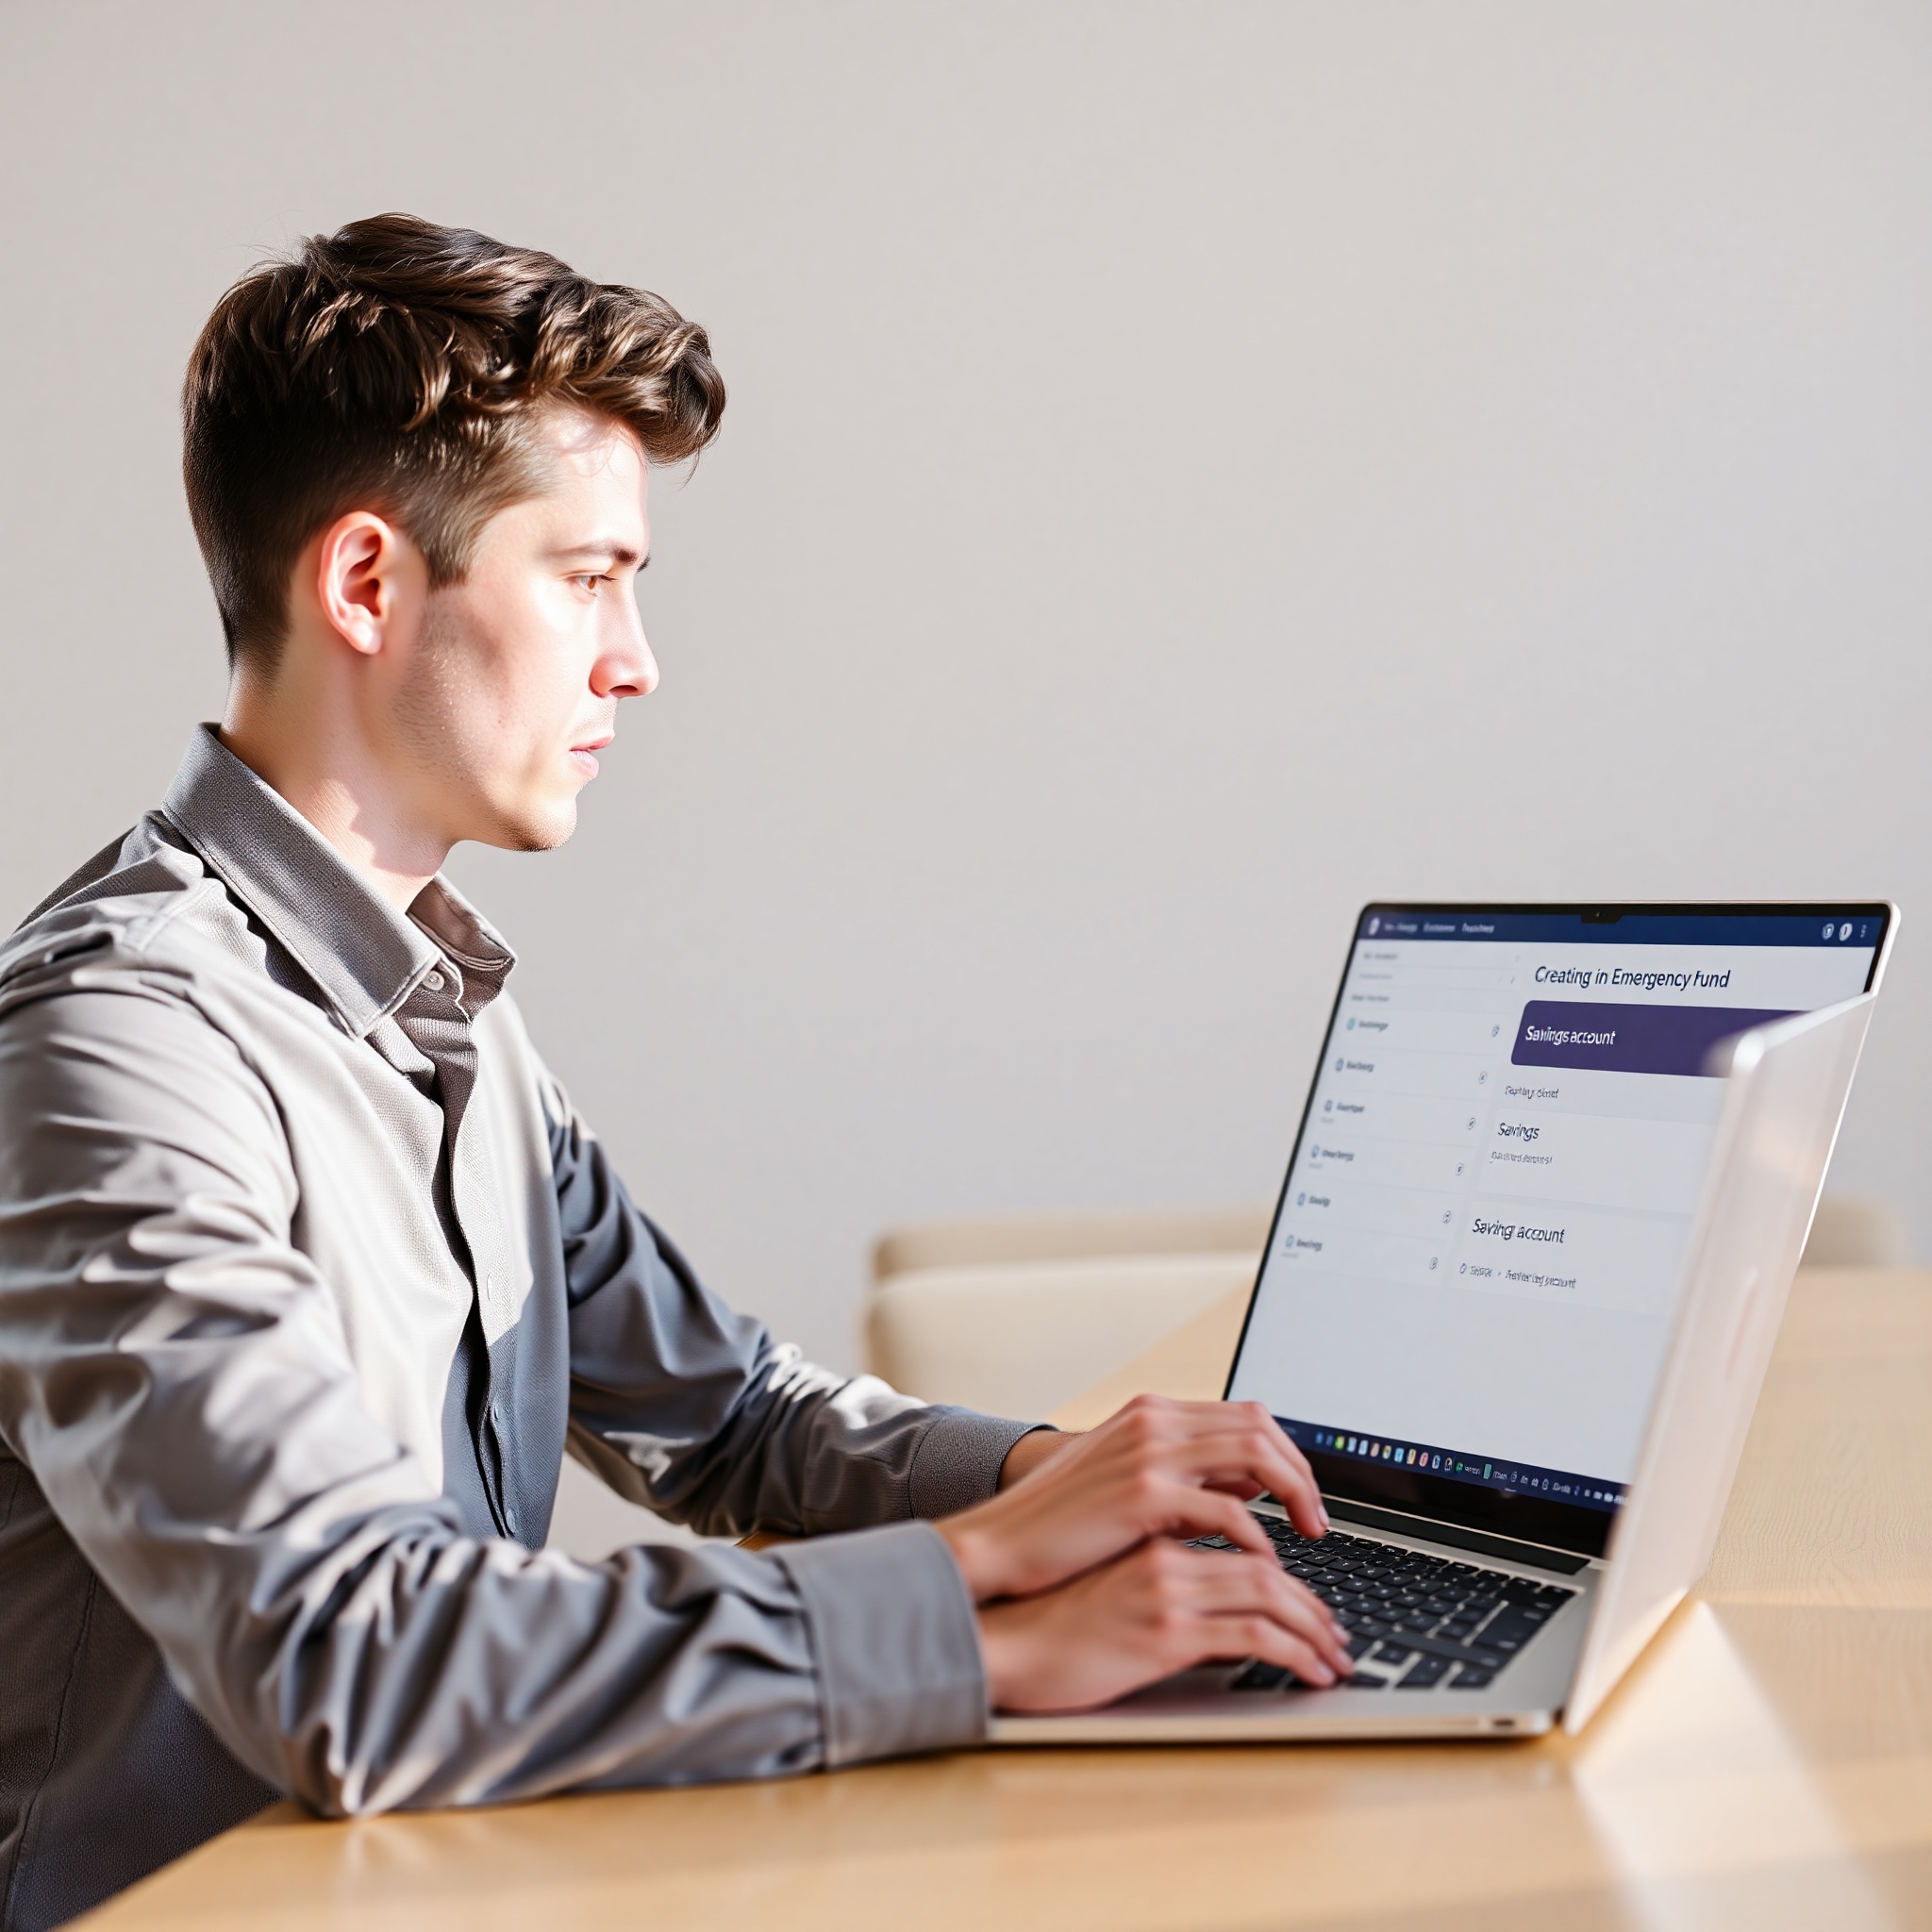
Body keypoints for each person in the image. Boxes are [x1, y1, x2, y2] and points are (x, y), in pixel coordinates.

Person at [0, 215, 1348, 1932]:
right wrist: (970, 1607)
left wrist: (1050, 1488)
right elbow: (352, 1661)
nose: (637, 656)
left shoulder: (451, 1006)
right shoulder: (117, 1051)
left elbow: (731, 1420)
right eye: (587, 577)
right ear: (363, 584)